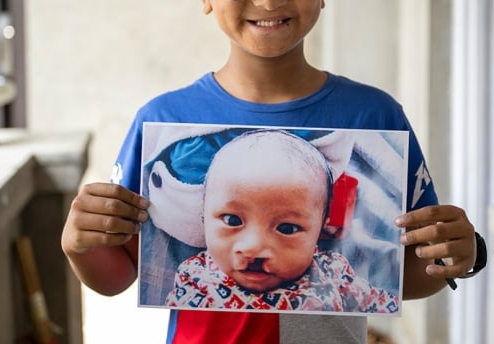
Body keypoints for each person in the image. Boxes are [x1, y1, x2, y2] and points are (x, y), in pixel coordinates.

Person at [61, 0, 481, 343]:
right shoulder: (162, 122)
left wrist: (455, 255)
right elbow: (118, 276)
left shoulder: (373, 118)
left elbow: (400, 273)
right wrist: (78, 244)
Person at [165, 129, 399, 313]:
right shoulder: (195, 275)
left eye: (286, 228)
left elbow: (383, 301)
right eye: (232, 220)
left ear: (321, 227)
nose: (253, 248)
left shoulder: (333, 273)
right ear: (204, 215)